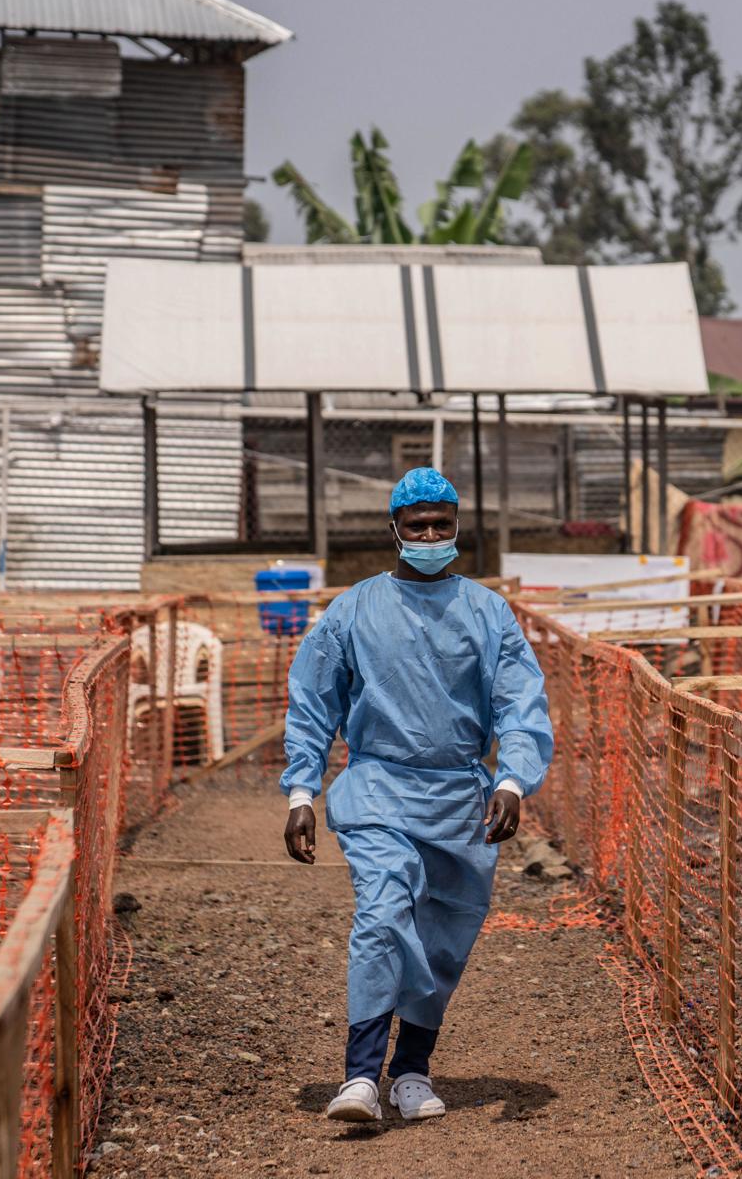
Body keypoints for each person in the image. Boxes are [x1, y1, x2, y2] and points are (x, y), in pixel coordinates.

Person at [281, 467, 555, 1124]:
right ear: (394, 532)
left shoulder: (488, 612)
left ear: (458, 528)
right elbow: (312, 702)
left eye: (441, 524)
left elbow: (521, 700)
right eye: (417, 525)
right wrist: (300, 790)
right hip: (376, 785)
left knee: (443, 939)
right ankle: (358, 1077)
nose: (430, 535)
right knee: (382, 910)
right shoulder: (352, 610)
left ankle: (410, 1071)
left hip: (462, 797)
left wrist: (512, 779)